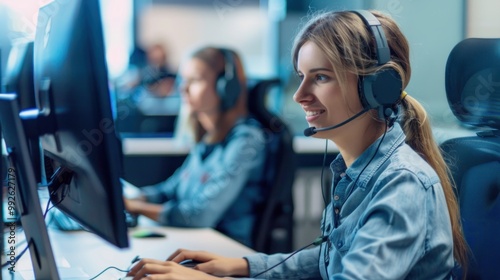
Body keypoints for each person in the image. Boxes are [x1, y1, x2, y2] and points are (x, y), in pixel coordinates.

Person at [125, 10, 469, 280]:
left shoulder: (402, 183)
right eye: (301, 76)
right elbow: (327, 259)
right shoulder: (353, 171)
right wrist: (239, 265)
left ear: (378, 87)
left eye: (320, 77)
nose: (299, 95)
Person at [123, 46, 267, 248]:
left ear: (224, 87)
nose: (182, 88)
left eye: (195, 80)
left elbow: (199, 216)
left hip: (225, 250)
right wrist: (134, 198)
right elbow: (171, 189)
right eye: (183, 80)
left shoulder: (246, 140)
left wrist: (135, 207)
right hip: (195, 242)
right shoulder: (208, 138)